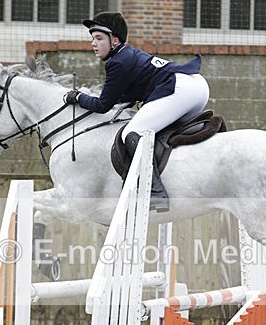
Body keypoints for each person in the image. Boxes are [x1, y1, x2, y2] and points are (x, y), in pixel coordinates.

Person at [63, 12, 210, 212]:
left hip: (181, 89)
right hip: (196, 85)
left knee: (131, 133)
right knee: (154, 130)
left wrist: (78, 97)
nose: (93, 44)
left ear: (114, 40)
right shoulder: (127, 55)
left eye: (98, 38)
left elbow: (103, 105)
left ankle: (155, 192)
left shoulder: (117, 62)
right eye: (92, 39)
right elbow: (123, 97)